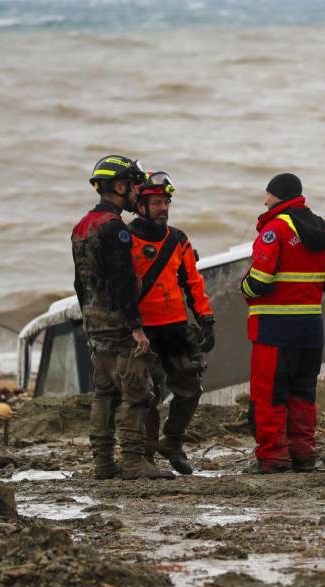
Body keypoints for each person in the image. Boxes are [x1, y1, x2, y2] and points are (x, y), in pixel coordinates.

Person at [72, 155, 173, 480]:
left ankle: (103, 463)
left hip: (93, 319)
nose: (138, 193)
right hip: (118, 323)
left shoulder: (82, 226)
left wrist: (89, 314)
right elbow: (123, 283)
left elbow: (79, 281)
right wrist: (137, 328)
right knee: (137, 392)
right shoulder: (115, 229)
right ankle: (132, 462)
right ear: (118, 186)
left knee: (103, 392)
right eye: (134, 186)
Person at [241, 173, 325, 473]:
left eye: (268, 195)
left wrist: (244, 289)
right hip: (311, 327)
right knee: (303, 394)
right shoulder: (322, 227)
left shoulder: (275, 228)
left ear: (279, 196)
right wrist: (310, 288)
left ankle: (273, 458)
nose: (264, 201)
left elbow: (260, 279)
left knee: (270, 395)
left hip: (274, 329)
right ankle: (303, 455)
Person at [128, 171, 215, 475]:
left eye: (166, 202)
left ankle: (173, 441)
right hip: (143, 331)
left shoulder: (178, 239)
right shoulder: (125, 240)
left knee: (191, 387)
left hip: (176, 327)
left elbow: (193, 282)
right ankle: (148, 454)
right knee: (148, 394)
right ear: (140, 205)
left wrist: (206, 319)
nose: (163, 208)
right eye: (157, 203)